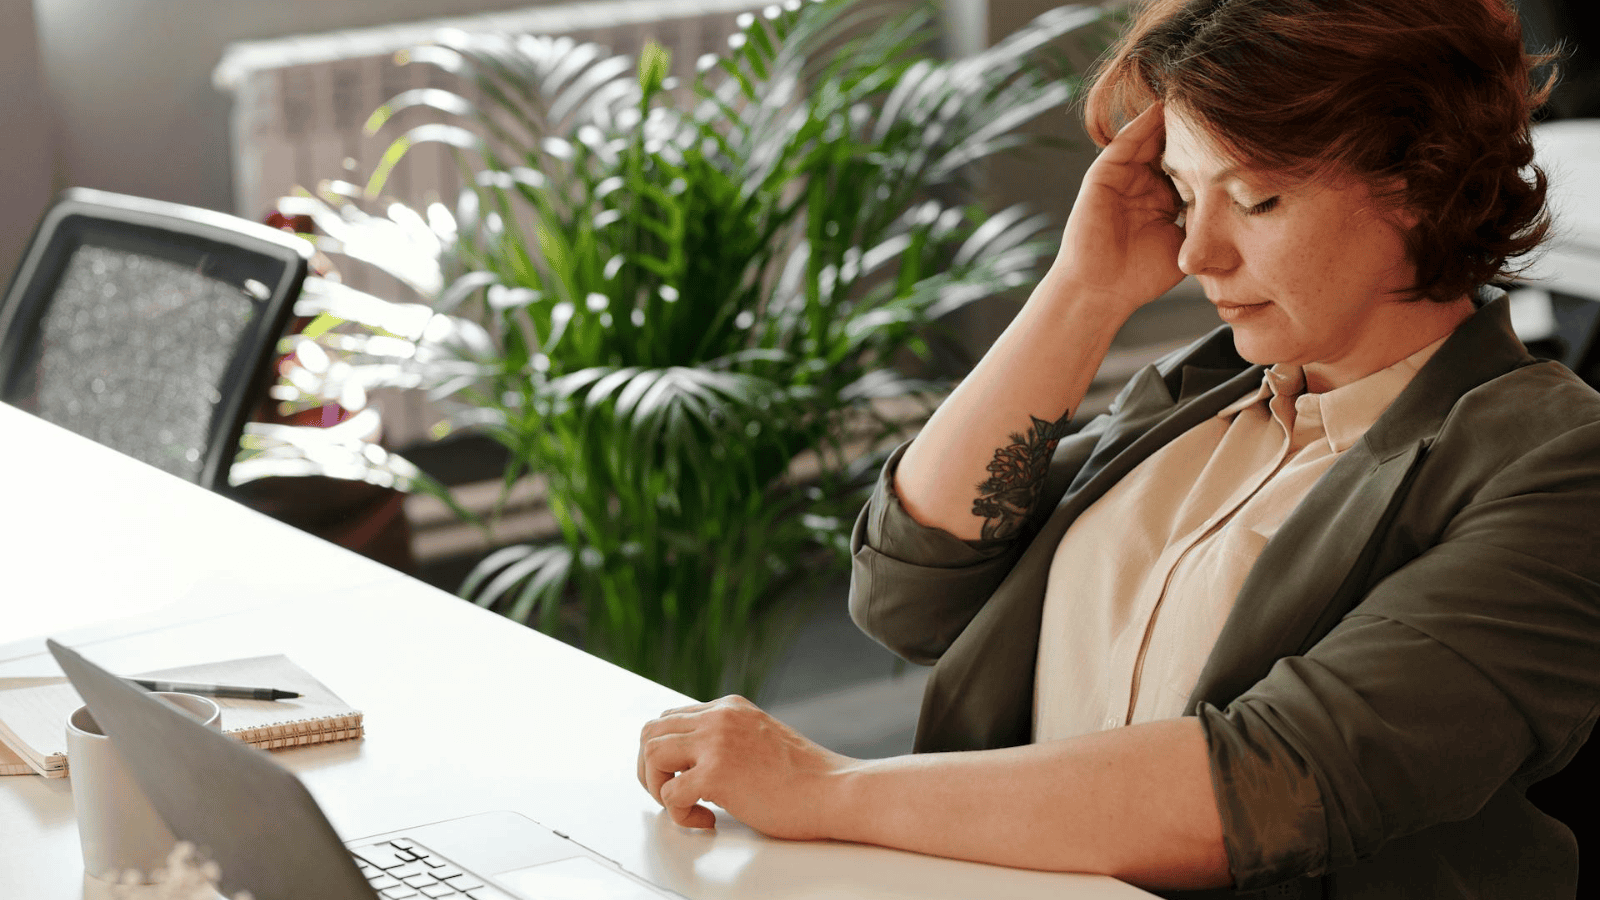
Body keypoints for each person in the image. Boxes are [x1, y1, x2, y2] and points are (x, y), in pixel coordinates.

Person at [636, 0, 1600, 896]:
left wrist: (827, 789)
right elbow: (910, 593)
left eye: (1256, 200)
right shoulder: (1202, 394)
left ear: (1425, 184)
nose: (1196, 255)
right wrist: (1081, 290)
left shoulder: (1555, 463)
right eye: (1185, 193)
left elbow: (1275, 780)